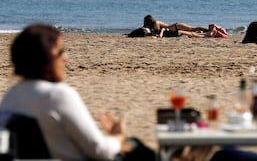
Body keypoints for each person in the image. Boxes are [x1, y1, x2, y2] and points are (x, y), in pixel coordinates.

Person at [0, 24, 156, 161]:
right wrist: (117, 139)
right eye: (61, 52)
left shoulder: (10, 96)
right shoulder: (58, 95)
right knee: (136, 146)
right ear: (48, 58)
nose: (66, 58)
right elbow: (98, 151)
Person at [143, 14, 209, 33]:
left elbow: (157, 31)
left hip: (176, 26)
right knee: (193, 30)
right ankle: (207, 31)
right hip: (175, 28)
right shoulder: (154, 23)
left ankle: (208, 29)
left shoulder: (156, 23)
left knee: (193, 29)